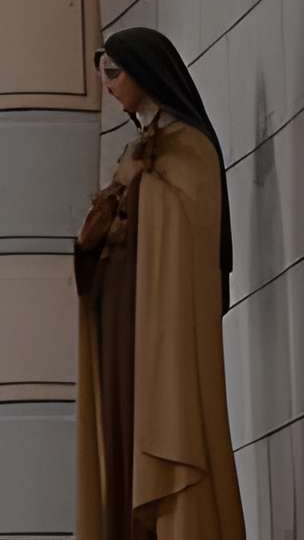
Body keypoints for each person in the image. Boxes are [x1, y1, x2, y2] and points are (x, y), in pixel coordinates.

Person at [75, 27, 244, 540]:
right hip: (124, 314)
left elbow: (188, 227)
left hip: (162, 321)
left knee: (166, 418)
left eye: (114, 73)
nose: (107, 85)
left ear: (145, 73)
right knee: (122, 435)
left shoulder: (189, 146)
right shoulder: (134, 151)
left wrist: (139, 194)